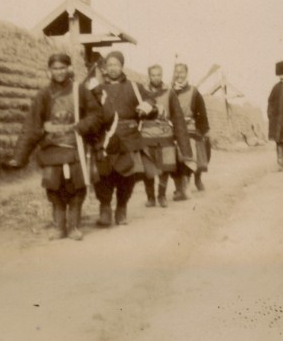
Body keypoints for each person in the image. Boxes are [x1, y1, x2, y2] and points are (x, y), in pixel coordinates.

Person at [7, 52, 105, 241]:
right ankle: (59, 227)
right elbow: (32, 125)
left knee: (76, 188)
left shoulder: (80, 91)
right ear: (49, 71)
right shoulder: (43, 95)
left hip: (75, 145)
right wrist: (19, 156)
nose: (59, 72)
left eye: (62, 68)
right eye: (55, 68)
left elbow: (96, 115)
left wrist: (81, 126)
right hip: (52, 147)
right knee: (53, 188)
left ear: (69, 68)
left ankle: (74, 227)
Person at [90, 51, 156, 227]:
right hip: (105, 139)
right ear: (105, 67)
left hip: (128, 138)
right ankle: (105, 209)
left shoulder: (134, 87)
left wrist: (146, 106)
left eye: (116, 65)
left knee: (126, 176)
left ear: (122, 67)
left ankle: (121, 208)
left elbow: (150, 100)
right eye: (109, 65)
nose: (113, 68)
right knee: (103, 176)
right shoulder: (98, 89)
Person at [139, 65, 193, 207]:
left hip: (165, 134)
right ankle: (150, 197)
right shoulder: (141, 92)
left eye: (158, 75)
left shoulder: (170, 93)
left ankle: (161, 196)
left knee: (166, 167)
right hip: (147, 134)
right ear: (149, 76)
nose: (156, 78)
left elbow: (177, 116)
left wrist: (181, 138)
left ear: (162, 75)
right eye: (153, 75)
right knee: (148, 169)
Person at [171, 63, 211, 191]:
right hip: (174, 127)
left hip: (191, 127)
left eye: (181, 72)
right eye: (176, 72)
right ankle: (181, 183)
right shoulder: (169, 91)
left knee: (197, 149)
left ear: (186, 74)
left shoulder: (194, 92)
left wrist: (203, 130)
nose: (179, 75)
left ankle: (197, 178)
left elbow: (201, 111)